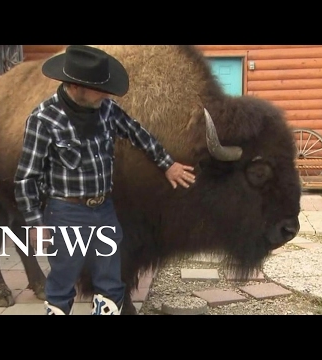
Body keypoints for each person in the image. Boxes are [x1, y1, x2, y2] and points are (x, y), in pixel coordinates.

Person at [14, 45, 196, 315]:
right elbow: (27, 177)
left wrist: (167, 164)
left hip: (104, 210)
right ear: (76, 86)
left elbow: (138, 133)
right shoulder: (44, 119)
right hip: (66, 212)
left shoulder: (107, 109)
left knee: (111, 282)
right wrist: (35, 223)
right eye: (100, 88)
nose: (106, 94)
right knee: (63, 281)